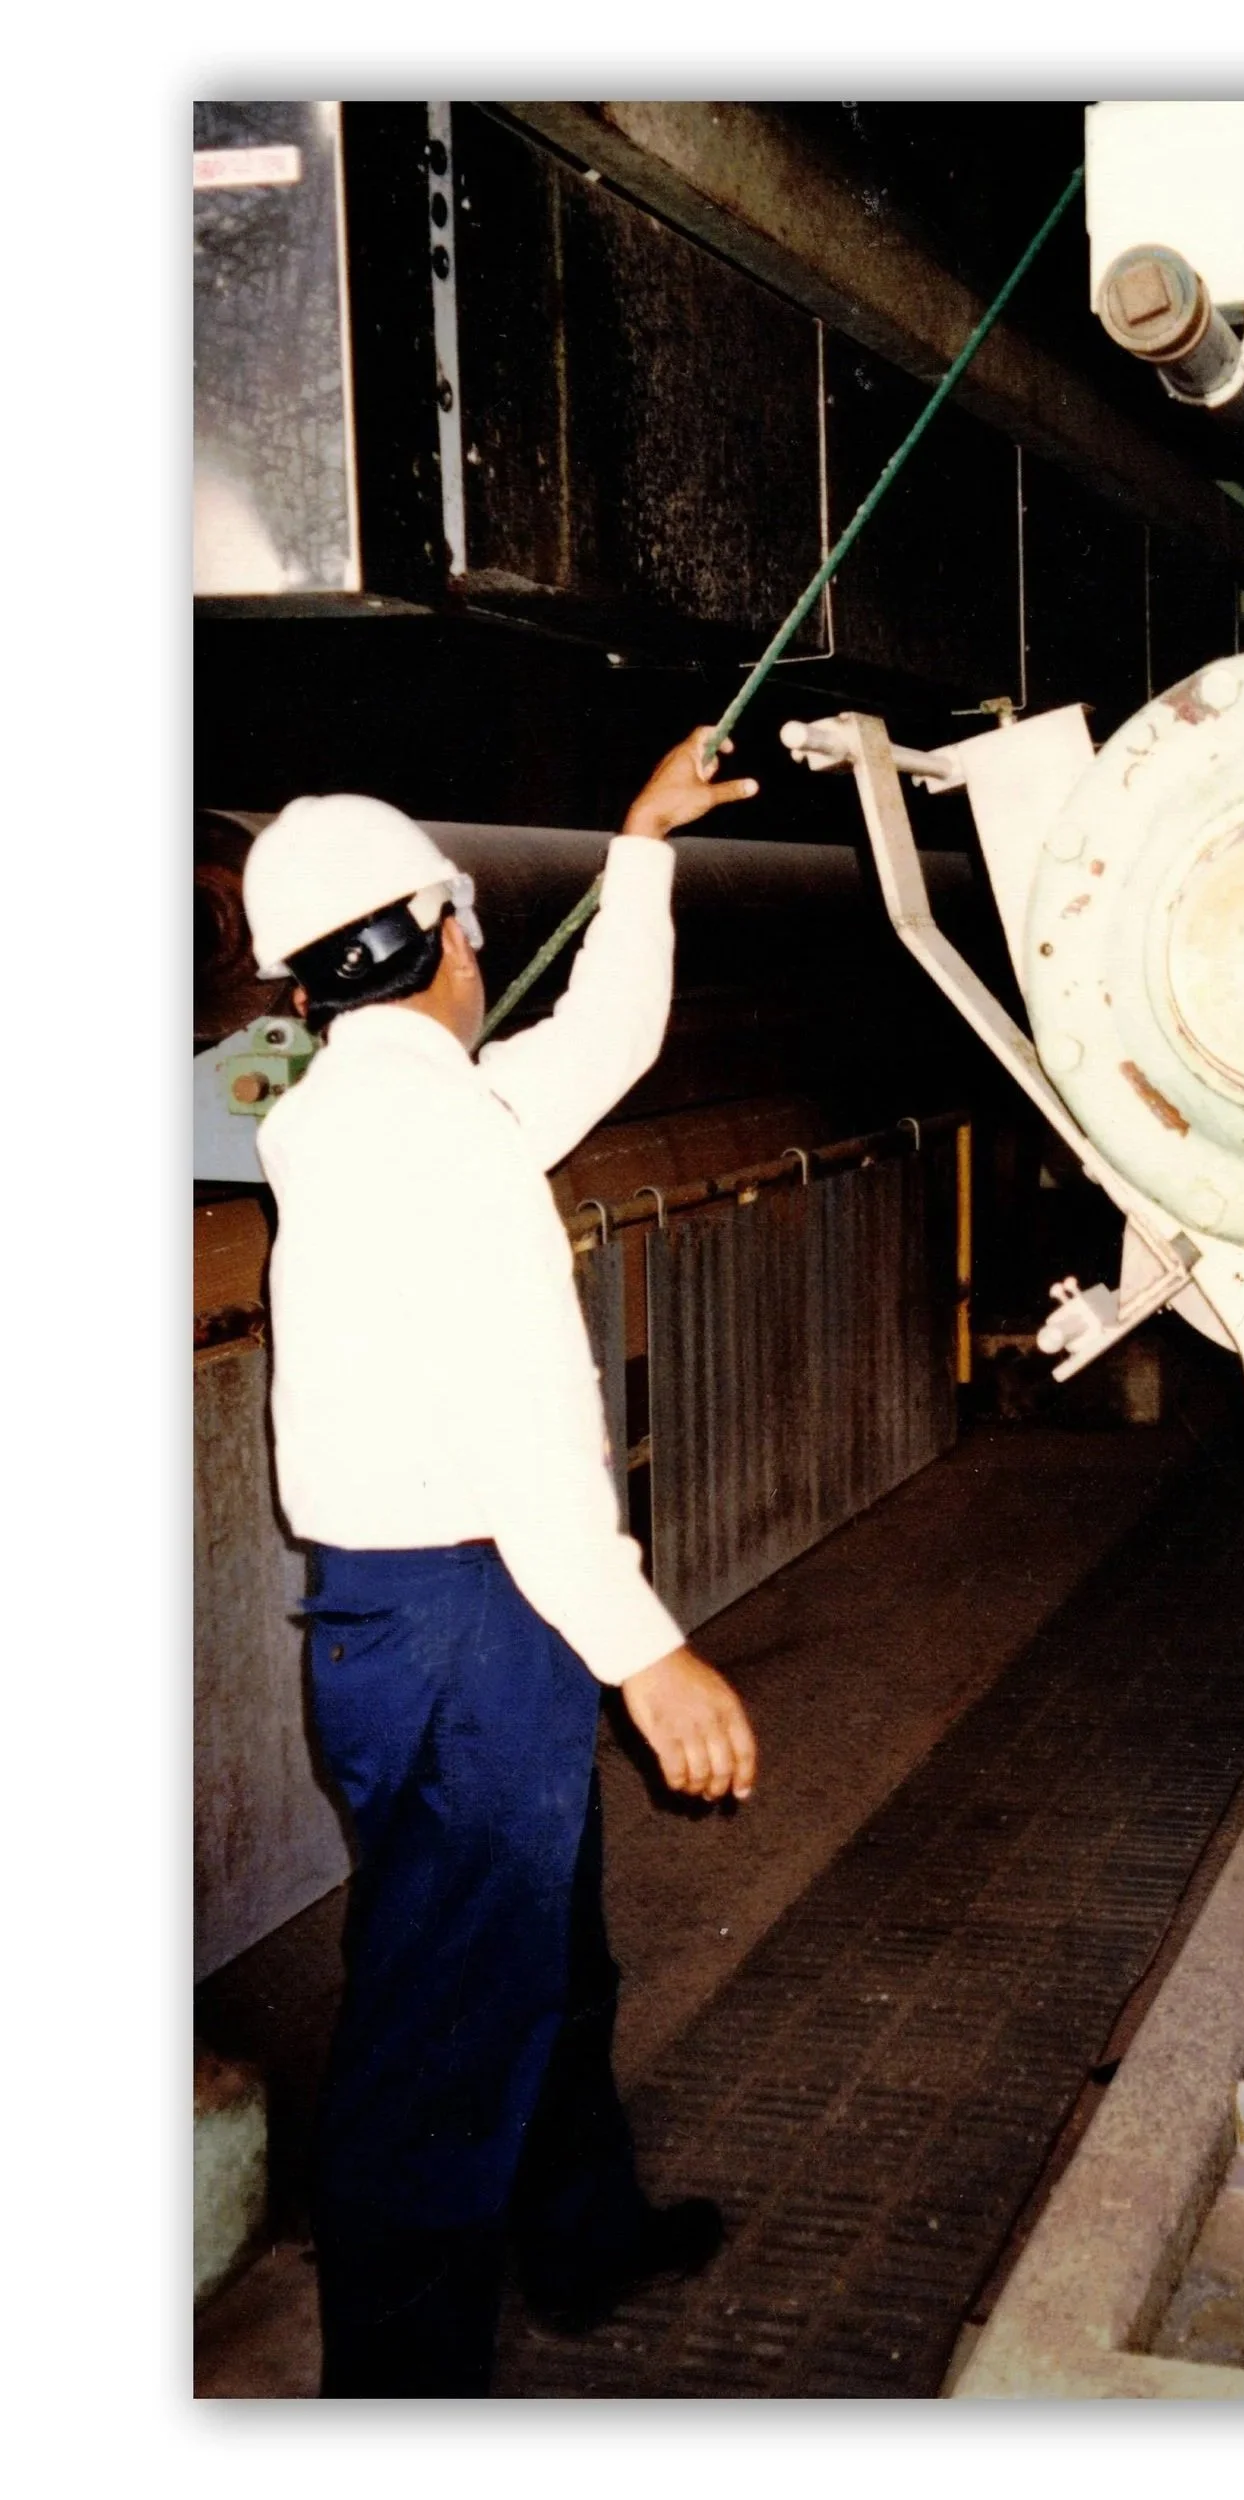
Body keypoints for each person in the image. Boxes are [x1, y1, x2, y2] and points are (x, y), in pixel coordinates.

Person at [241, 733, 762, 2397]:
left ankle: (583, 2233)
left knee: (548, 1946)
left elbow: (591, 1050)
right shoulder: (439, 1144)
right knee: (442, 2034)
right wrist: (646, 1652)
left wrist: (642, 851)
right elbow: (531, 1431)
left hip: (422, 1624)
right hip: (473, 1616)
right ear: (445, 933)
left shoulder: (353, 1118)